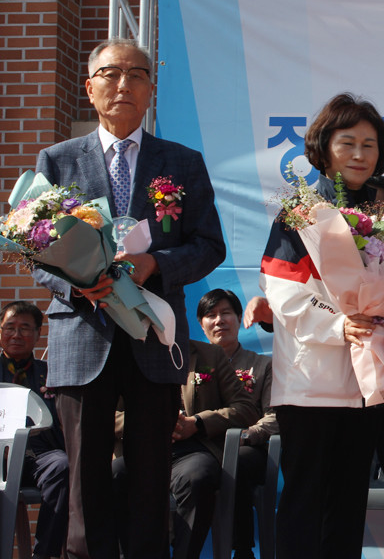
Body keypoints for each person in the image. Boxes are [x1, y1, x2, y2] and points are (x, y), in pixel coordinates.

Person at [34, 38, 226, 559]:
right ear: (89, 86)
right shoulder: (57, 161)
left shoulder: (181, 162)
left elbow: (209, 245)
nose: (124, 85)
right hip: (83, 334)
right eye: (111, 74)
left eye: (136, 74)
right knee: (84, 479)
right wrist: (75, 282)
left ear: (150, 89)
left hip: (153, 336)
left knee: (150, 479)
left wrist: (155, 264)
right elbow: (35, 249)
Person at [259, 93, 384, 558]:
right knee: (304, 502)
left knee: (348, 503)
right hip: (310, 382)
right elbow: (283, 291)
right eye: (348, 143)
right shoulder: (301, 210)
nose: (360, 154)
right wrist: (339, 325)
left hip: (365, 381)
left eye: (369, 145)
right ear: (324, 147)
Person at [114, 337, 257, 559]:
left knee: (197, 478)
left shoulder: (210, 355)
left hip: (194, 449)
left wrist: (197, 423)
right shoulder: (126, 355)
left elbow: (245, 408)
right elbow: (108, 414)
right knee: (115, 475)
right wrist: (151, 424)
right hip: (144, 448)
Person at [197, 289, 279, 559]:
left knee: (236, 461)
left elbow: (275, 415)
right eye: (211, 315)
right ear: (201, 324)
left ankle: (242, 550)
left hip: (248, 448)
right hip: (200, 447)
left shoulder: (262, 365)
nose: (219, 320)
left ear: (239, 318)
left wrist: (248, 434)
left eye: (226, 313)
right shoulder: (189, 365)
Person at [0, 301, 68, 559]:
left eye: (25, 328)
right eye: (10, 327)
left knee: (62, 466)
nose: (16, 335)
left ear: (38, 334)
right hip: (0, 455)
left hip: (39, 455)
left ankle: (44, 554)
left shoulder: (52, 375)